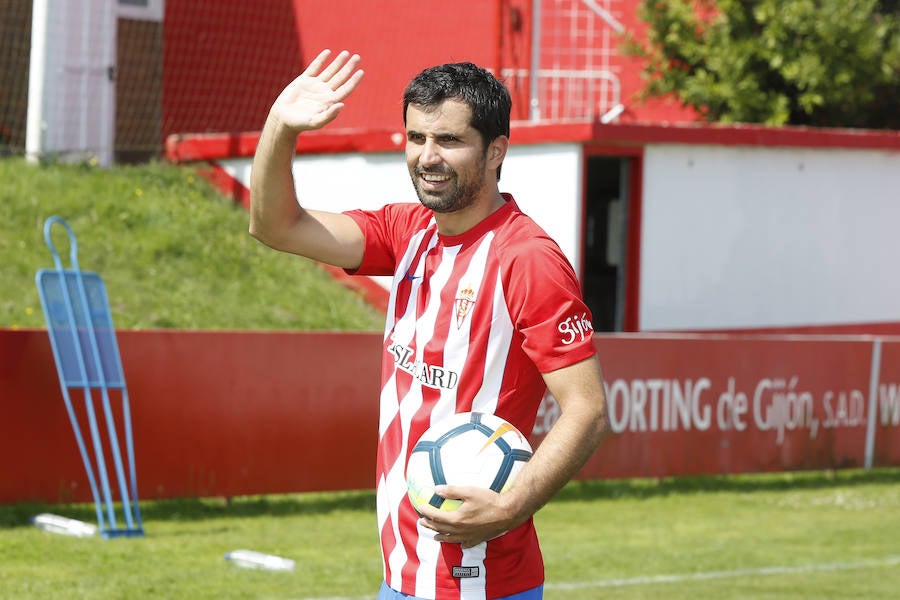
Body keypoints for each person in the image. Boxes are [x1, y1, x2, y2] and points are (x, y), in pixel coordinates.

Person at [249, 49, 609, 600]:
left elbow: (587, 410)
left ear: (496, 151)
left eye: (449, 140)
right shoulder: (406, 230)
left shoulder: (527, 258)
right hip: (402, 578)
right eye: (416, 138)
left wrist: (512, 503)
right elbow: (275, 225)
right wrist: (281, 126)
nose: (427, 157)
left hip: (481, 583)